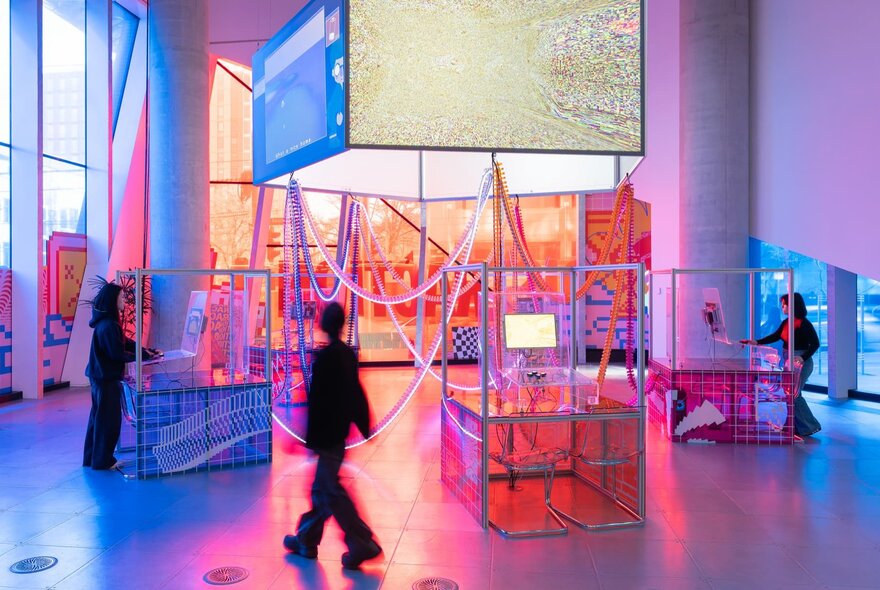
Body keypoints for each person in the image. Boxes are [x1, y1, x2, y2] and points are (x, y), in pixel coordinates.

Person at [283, 301, 382, 570]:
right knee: (321, 488)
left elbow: (317, 403)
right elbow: (355, 393)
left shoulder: (327, 359)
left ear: (323, 324)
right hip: (338, 433)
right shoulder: (347, 355)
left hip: (328, 435)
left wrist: (306, 437)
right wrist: (364, 423)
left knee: (330, 491)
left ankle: (362, 542)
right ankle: (306, 539)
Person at [83, 281, 159, 470]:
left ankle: (93, 458)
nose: (124, 300)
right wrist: (141, 357)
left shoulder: (108, 323)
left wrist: (144, 352)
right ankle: (102, 461)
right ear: (112, 299)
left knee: (98, 419)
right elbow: (117, 353)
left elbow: (124, 342)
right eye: (121, 297)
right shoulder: (109, 325)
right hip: (105, 378)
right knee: (108, 421)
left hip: (100, 377)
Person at [741, 292, 822, 437]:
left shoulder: (804, 324)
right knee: (790, 394)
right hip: (788, 360)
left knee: (794, 394)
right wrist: (756, 342)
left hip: (800, 362)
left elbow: (815, 344)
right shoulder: (787, 323)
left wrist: (802, 357)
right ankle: (794, 426)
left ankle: (810, 426)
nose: (782, 307)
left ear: (792, 305)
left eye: (784, 304)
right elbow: (775, 336)